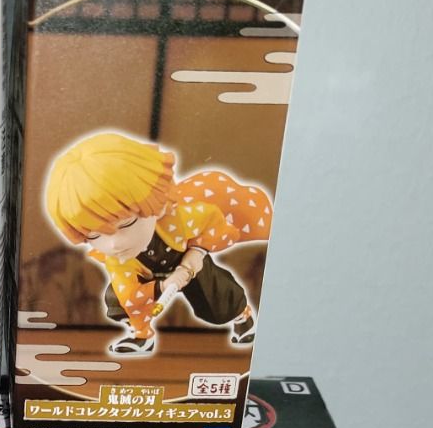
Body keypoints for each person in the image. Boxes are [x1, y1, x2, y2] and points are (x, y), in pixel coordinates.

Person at [45, 131, 272, 354]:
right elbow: (131, 295)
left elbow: (215, 224)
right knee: (117, 300)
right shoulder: (119, 260)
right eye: (94, 236)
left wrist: (196, 253)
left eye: (127, 224)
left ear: (158, 204)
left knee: (216, 300)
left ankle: (242, 317)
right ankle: (141, 335)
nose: (113, 245)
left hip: (187, 257)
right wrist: (163, 286)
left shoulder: (181, 218)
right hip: (150, 275)